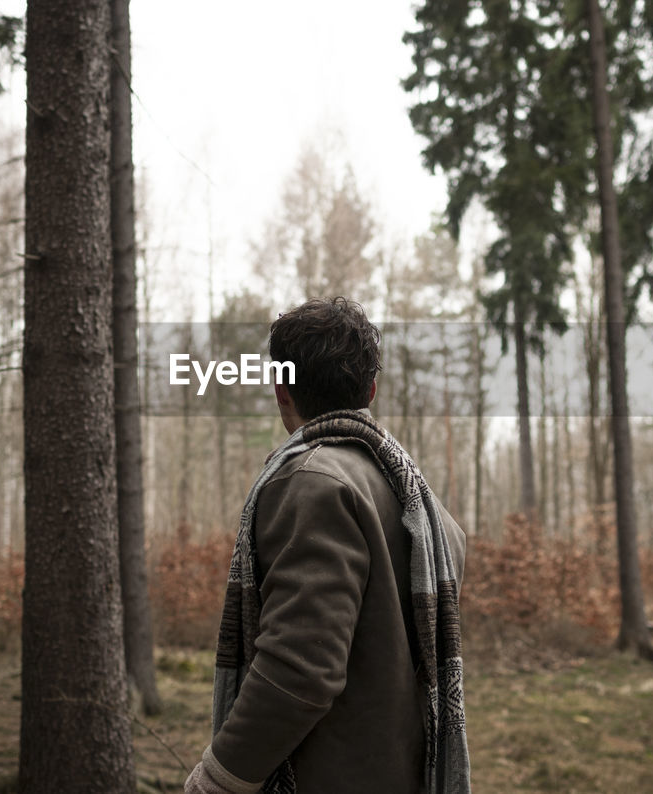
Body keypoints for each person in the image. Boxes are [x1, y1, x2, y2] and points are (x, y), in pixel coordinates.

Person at [184, 297, 471, 794]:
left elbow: (300, 668)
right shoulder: (415, 498)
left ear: (282, 391)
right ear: (371, 390)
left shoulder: (311, 482)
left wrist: (218, 778)